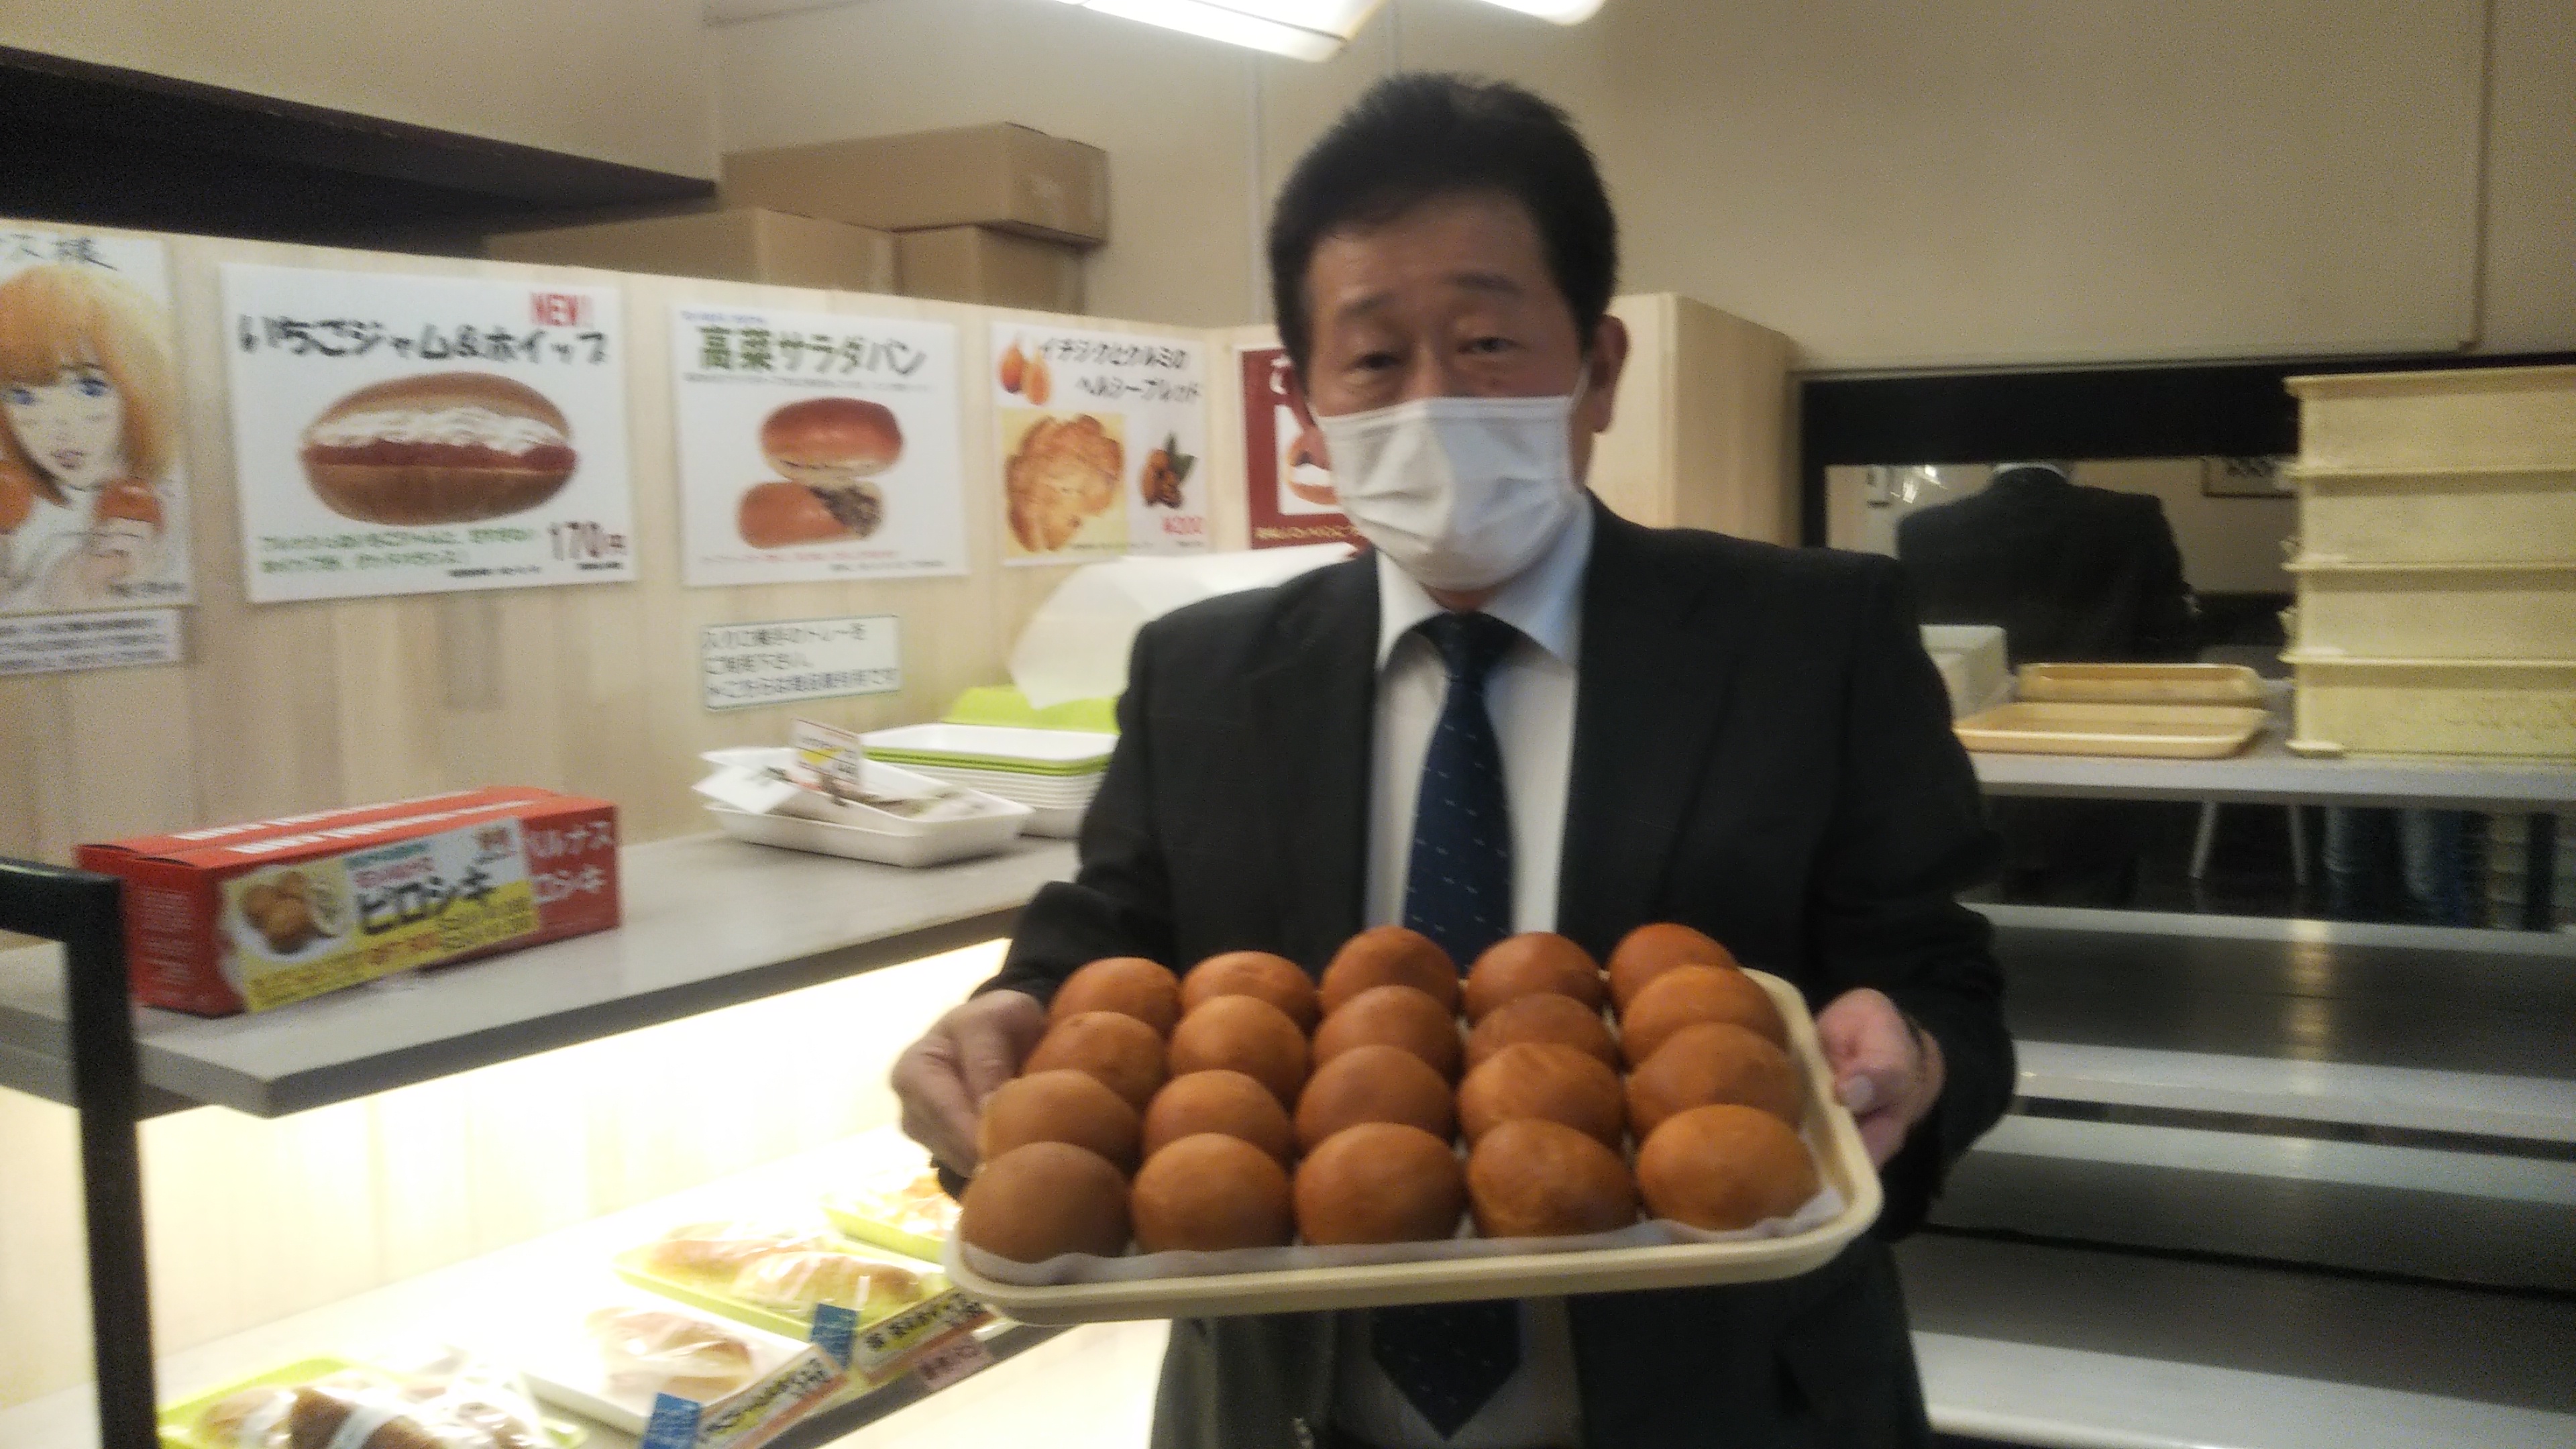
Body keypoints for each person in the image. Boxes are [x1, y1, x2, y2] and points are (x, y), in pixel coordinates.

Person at [893, 74, 2010, 1448]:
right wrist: (1010, 1023)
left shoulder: (1810, 638)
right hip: (1282, 1412)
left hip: (1734, 1398)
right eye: (1372, 360)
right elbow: (1111, 944)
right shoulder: (1202, 672)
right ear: (1305, 403)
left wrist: (1918, 1059)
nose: (1431, 402)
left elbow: (1940, 972)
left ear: (1600, 368)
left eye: (1487, 343)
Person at [0, 262, 182, 610]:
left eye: (89, 389)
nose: (57, 426)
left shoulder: (172, 515)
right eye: (22, 396)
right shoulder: (19, 502)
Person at [1894, 461, 2194, 668]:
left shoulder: (1923, 531)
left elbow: (1914, 653)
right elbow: (2172, 635)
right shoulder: (2136, 518)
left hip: (1971, 721)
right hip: (2109, 715)